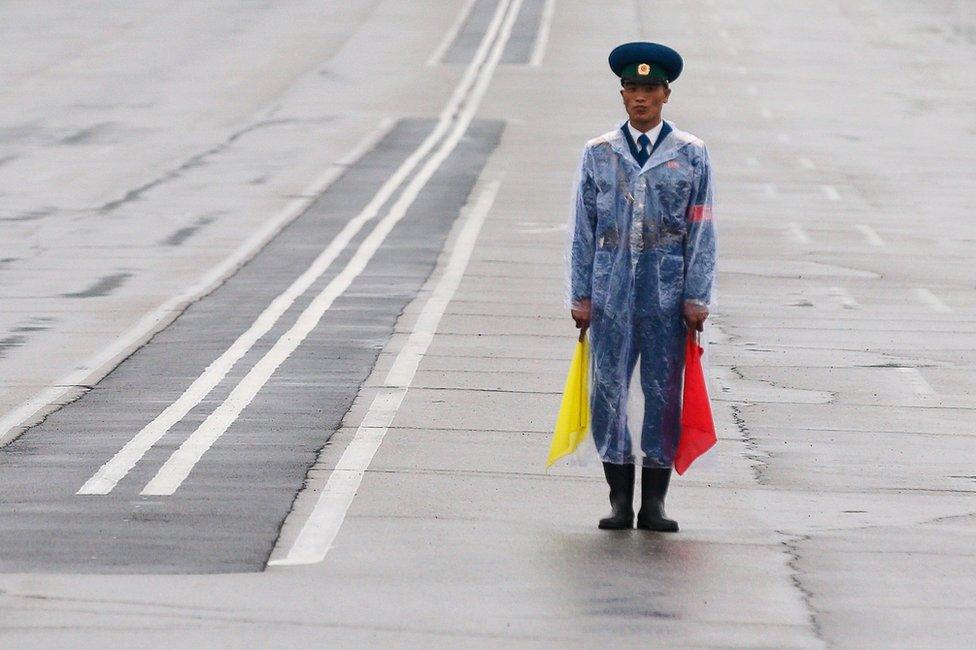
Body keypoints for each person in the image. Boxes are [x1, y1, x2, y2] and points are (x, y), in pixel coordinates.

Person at [567, 41, 716, 532]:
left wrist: (696, 296)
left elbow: (701, 228)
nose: (640, 98)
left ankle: (654, 504)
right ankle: (617, 500)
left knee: (662, 392)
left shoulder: (691, 155)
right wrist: (581, 294)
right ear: (622, 93)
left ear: (666, 93)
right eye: (632, 88)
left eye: (650, 88)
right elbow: (583, 228)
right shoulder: (599, 153)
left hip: (666, 293)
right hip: (610, 291)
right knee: (607, 392)